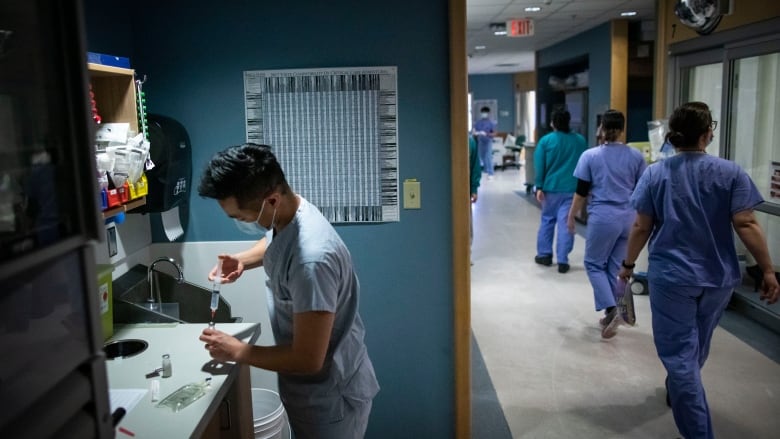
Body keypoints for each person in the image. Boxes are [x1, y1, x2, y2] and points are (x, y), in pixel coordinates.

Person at [618, 102, 779, 439]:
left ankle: (696, 428)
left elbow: (640, 227)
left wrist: (627, 266)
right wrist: (767, 270)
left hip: (673, 278)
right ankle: (679, 386)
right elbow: (746, 222)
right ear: (708, 134)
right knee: (696, 346)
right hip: (718, 278)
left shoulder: (656, 174)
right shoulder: (730, 172)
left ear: (672, 137)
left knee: (680, 355)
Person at [197, 143, 380, 439]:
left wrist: (238, 351)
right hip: (310, 391)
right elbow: (276, 240)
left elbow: (308, 359)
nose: (240, 223)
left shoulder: (313, 262)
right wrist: (241, 260)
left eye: (241, 218)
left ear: (271, 200)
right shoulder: (291, 210)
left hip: (331, 400)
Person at [566, 110, 647, 338]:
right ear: (622, 129)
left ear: (601, 129)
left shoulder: (590, 156)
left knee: (593, 264)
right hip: (628, 218)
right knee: (615, 268)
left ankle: (612, 309)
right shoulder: (636, 156)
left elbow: (581, 192)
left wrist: (571, 215)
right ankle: (618, 312)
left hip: (604, 217)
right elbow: (642, 189)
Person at [533, 108, 587, 273]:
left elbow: (539, 165)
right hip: (573, 189)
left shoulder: (546, 141)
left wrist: (539, 186)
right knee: (566, 222)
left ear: (552, 123)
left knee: (548, 220)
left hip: (550, 189)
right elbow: (585, 165)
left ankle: (545, 255)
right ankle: (563, 260)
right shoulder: (580, 141)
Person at [472, 106, 496, 180]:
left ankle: (490, 173)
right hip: (480, 141)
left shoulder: (491, 123)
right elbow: (474, 132)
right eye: (483, 112)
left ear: (488, 113)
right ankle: (483, 171)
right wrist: (477, 133)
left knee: (488, 157)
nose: (484, 114)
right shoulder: (478, 123)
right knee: (480, 157)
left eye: (485, 113)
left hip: (488, 141)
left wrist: (487, 134)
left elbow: (494, 133)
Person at [469, 134, 482, 263]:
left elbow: (475, 167)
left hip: (464, 190)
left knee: (467, 223)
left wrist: (474, 189)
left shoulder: (470, 142)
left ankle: (467, 253)